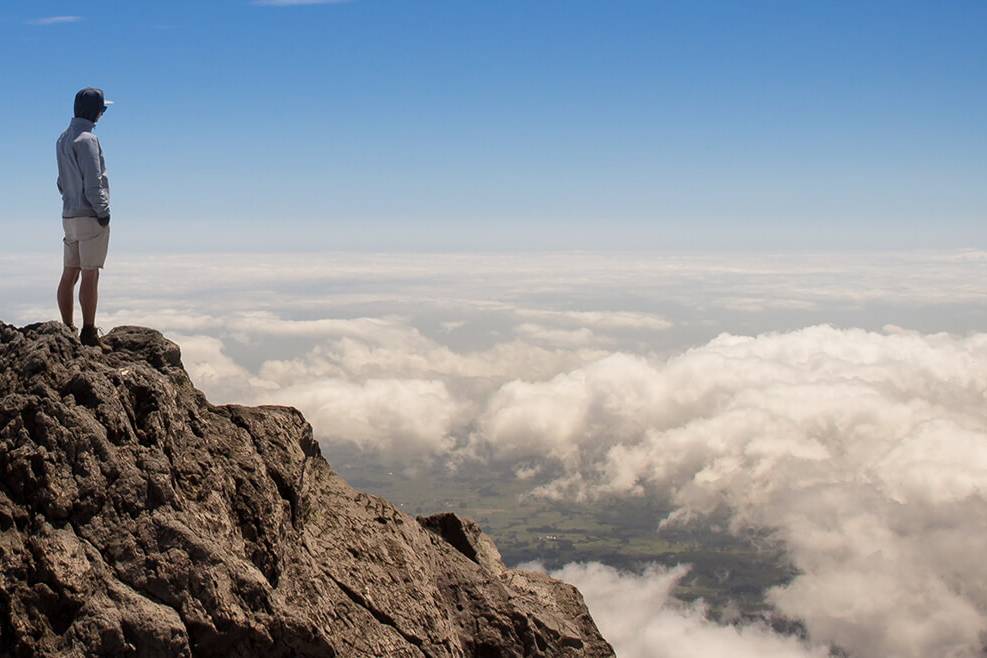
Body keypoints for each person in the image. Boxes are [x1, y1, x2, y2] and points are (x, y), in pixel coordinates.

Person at [56, 87, 113, 347]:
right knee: (91, 274)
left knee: (70, 273)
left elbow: (61, 182)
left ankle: (67, 329)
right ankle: (89, 333)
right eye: (102, 108)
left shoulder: (63, 139)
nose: (103, 113)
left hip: (68, 215)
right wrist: (103, 212)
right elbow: (93, 182)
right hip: (90, 215)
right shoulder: (88, 139)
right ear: (96, 111)